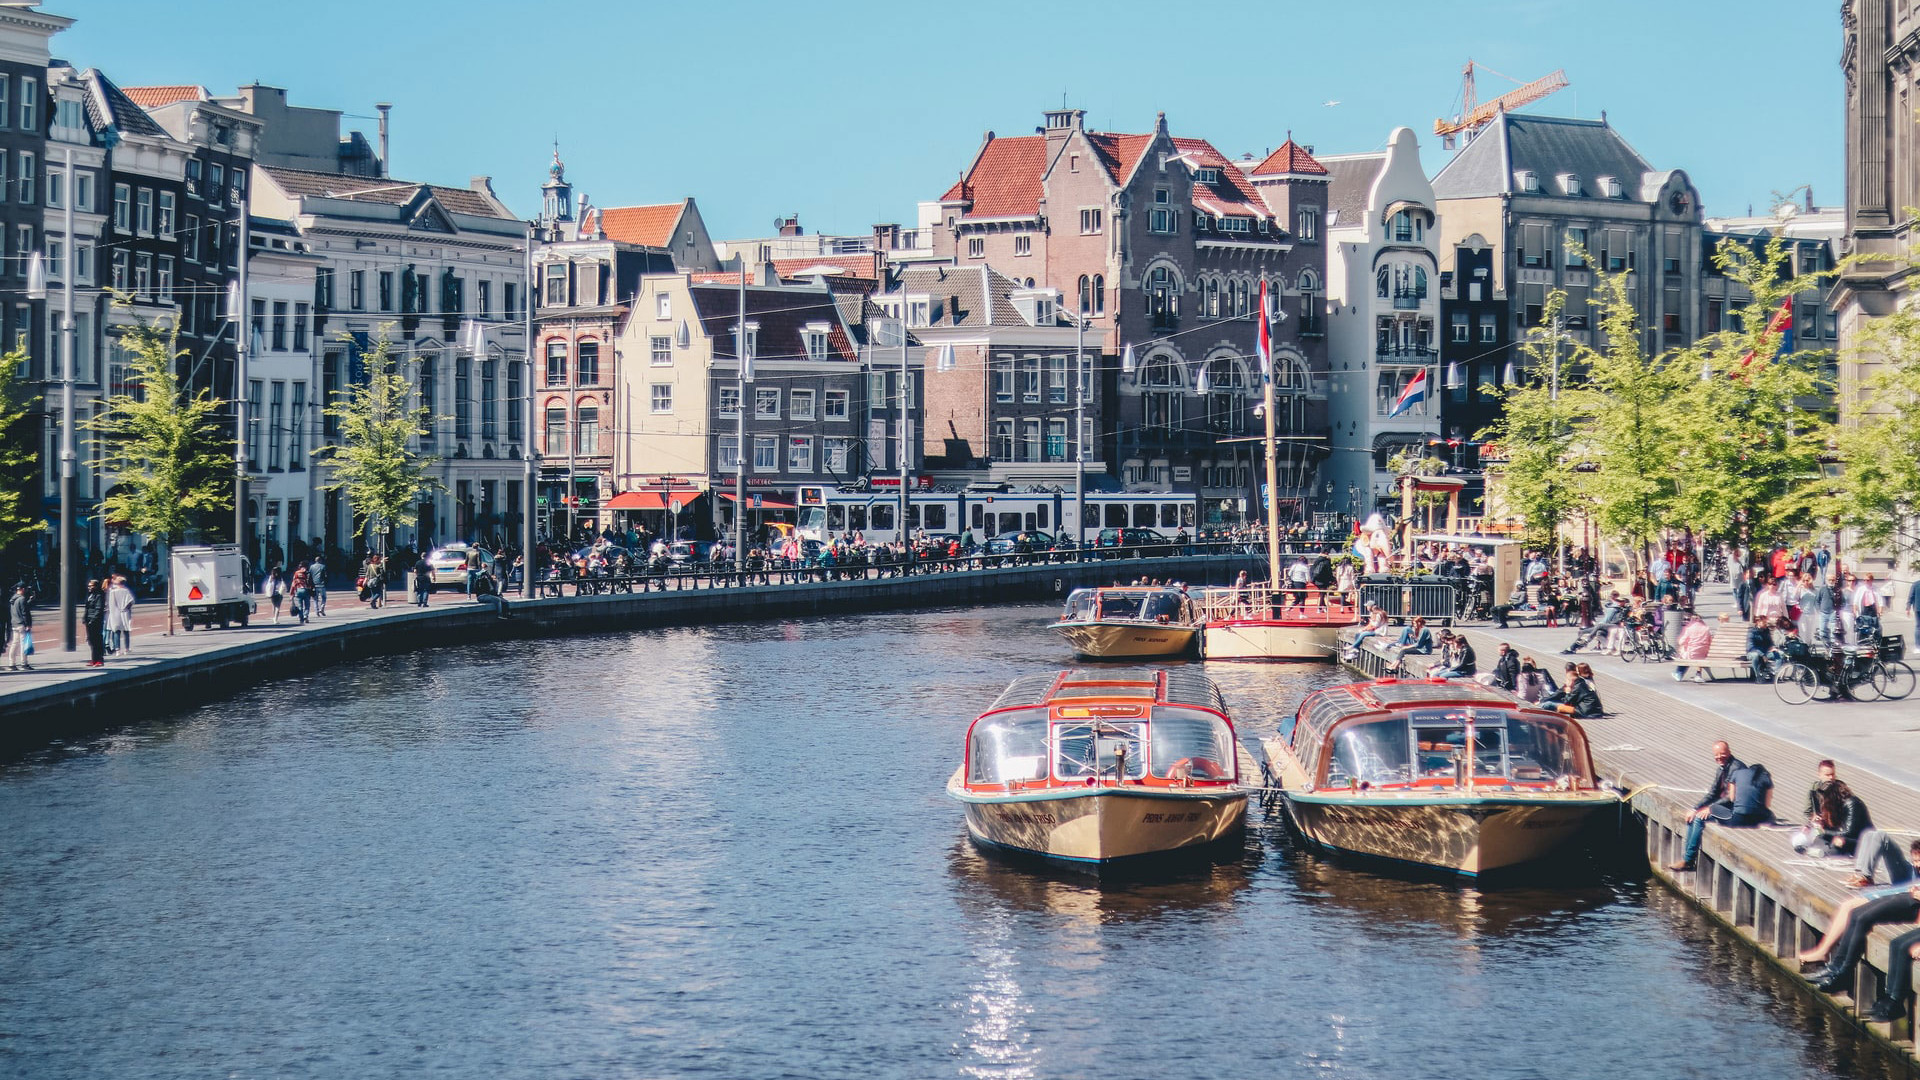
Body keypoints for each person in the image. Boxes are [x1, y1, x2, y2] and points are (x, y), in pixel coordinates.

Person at [1667, 741, 1763, 872]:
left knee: (1699, 818)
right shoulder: (1722, 769)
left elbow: (1731, 797)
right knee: (1694, 815)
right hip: (1728, 806)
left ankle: (1688, 860)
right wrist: (1695, 808)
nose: (1719, 758)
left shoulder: (1737, 768)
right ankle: (1687, 858)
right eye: (1716, 755)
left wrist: (1710, 809)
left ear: (1729, 752)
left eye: (1722, 754)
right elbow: (1713, 793)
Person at [1801, 760, 1872, 857]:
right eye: (1827, 775)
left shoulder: (1852, 804)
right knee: (1821, 837)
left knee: (1838, 842)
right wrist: (1815, 823)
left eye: (1832, 774)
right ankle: (1817, 849)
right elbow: (1811, 813)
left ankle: (1822, 851)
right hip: (1845, 834)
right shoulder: (1817, 790)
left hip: (1862, 840)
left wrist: (1824, 831)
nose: (1831, 778)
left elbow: (1849, 832)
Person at [1673, 612, 1713, 682]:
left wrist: (1681, 643)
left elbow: (1681, 642)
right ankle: (1698, 674)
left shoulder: (1689, 628)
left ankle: (1678, 673)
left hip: (1692, 653)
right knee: (1690, 653)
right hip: (1703, 654)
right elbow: (1710, 641)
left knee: (1683, 652)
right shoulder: (1706, 628)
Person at [106, 575, 135, 655]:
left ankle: (117, 650)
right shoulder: (126, 591)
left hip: (115, 613)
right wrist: (126, 608)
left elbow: (111, 604)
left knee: (116, 631)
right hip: (124, 612)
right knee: (126, 630)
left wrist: (112, 612)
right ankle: (126, 649)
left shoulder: (113, 592)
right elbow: (131, 601)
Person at [82, 579, 106, 667]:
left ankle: (99, 660)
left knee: (96, 641)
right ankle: (94, 659)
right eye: (88, 586)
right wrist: (85, 618)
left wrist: (94, 619)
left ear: (96, 586)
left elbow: (99, 609)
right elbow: (87, 608)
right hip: (89, 620)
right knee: (91, 641)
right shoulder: (90, 595)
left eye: (91, 586)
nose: (89, 588)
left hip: (95, 621)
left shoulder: (99, 595)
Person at [4, 582, 27, 670]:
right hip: (21, 624)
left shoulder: (13, 599)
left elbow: (17, 609)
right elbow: (24, 613)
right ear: (23, 589)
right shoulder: (22, 599)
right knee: (23, 644)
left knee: (14, 644)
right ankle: (24, 663)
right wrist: (28, 624)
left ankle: (11, 663)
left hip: (14, 624)